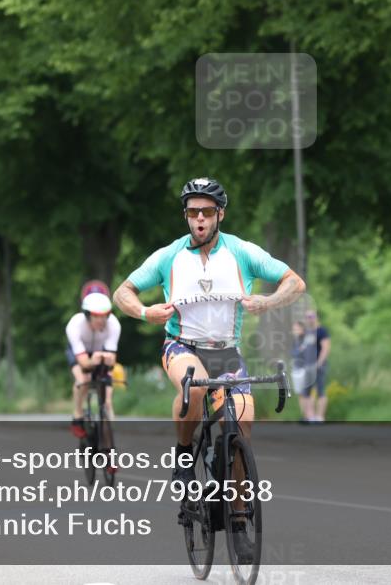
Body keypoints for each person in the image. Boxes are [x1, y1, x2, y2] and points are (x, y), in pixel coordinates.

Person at [113, 177, 305, 560]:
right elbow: (122, 292)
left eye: (205, 212)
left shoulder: (242, 252)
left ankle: (238, 523)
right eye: (191, 212)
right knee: (194, 386)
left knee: (243, 426)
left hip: (226, 353)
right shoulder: (169, 256)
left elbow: (294, 282)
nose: (198, 219)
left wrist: (266, 303)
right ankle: (185, 456)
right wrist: (145, 311)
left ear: (220, 214)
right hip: (181, 346)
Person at [66, 289, 121, 448]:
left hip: (100, 351)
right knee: (83, 379)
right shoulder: (75, 325)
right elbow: (83, 364)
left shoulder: (114, 324)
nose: (101, 319)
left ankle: (109, 449)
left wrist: (108, 362)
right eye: (96, 315)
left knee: (107, 398)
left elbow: (112, 360)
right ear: (87, 315)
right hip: (80, 353)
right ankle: (77, 416)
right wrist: (92, 361)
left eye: (104, 315)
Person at [298, 310, 330, 423]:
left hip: (318, 365)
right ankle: (309, 417)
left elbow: (325, 348)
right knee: (306, 392)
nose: (309, 319)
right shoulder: (307, 332)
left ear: (316, 317)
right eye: (307, 317)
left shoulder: (321, 331)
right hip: (308, 366)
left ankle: (320, 417)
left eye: (311, 316)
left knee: (321, 391)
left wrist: (319, 363)